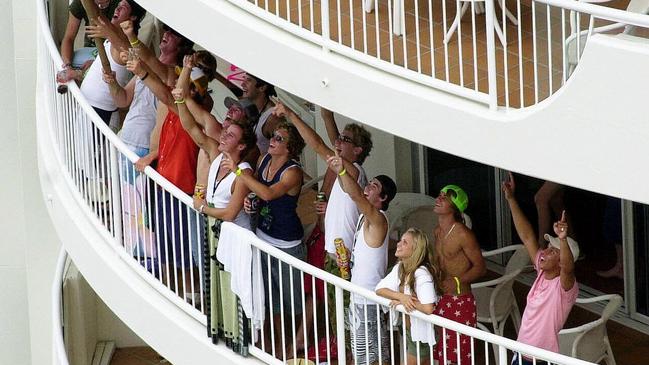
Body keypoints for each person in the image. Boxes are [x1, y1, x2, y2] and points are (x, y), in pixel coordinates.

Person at [225, 118, 306, 358]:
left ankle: (293, 342)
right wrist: (251, 199)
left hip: (286, 243)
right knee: (271, 298)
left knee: (292, 301)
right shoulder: (263, 160)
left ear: (290, 148)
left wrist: (238, 171)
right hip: (263, 234)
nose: (272, 140)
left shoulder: (293, 172)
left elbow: (269, 194)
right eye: (273, 136)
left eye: (279, 139)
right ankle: (277, 344)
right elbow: (258, 191)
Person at [327, 153, 397, 365]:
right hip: (359, 295)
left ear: (383, 198)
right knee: (369, 352)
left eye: (373, 185)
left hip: (368, 299)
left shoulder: (378, 219)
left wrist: (341, 170)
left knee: (369, 355)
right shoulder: (363, 218)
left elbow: (356, 195)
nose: (367, 187)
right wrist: (347, 259)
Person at [502, 173, 579, 365]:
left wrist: (562, 239)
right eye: (548, 248)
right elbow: (527, 236)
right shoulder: (542, 272)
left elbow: (568, 269)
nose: (544, 252)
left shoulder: (564, 288)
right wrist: (511, 199)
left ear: (561, 261)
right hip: (521, 353)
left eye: (553, 251)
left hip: (541, 360)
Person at [431, 184, 486, 365]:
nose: (438, 199)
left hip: (460, 300)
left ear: (454, 207)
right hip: (442, 297)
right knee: (441, 353)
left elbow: (480, 267)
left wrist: (456, 281)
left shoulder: (463, 234)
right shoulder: (438, 231)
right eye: (439, 195)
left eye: (444, 198)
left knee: (459, 357)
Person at [376, 228, 441, 365]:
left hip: (419, 334)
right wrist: (400, 297)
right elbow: (379, 289)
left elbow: (428, 308)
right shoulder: (400, 267)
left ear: (415, 250)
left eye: (404, 242)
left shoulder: (421, 274)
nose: (399, 244)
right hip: (408, 330)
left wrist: (403, 301)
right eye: (400, 240)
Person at [60, 0, 118, 71]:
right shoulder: (82, 2)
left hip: (113, 50)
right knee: (65, 64)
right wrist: (67, 66)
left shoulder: (121, 4)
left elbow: (124, 45)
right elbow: (69, 38)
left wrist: (96, 63)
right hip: (90, 51)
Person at [241, 73, 281, 154]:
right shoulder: (249, 107)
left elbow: (285, 152)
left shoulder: (273, 118)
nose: (242, 84)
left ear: (262, 87)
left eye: (248, 80)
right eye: (244, 79)